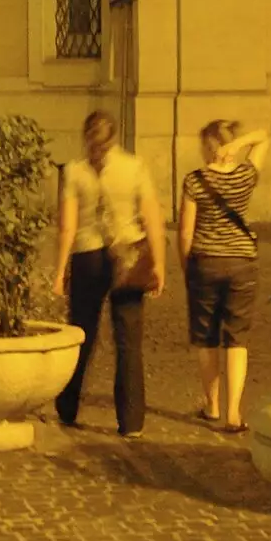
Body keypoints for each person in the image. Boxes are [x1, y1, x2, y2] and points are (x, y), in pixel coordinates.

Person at [51, 111, 167, 439]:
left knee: (81, 336)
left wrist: (60, 272)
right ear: (114, 138)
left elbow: (67, 227)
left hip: (88, 258)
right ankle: (131, 422)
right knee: (129, 342)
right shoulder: (135, 167)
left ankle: (68, 407)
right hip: (128, 256)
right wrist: (158, 264)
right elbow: (152, 219)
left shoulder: (73, 171)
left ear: (85, 137)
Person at [178, 120, 269, 435]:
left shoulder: (194, 181)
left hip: (206, 262)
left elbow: (186, 231)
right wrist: (239, 144)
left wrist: (185, 266)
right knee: (236, 338)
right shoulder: (246, 176)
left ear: (207, 147)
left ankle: (212, 404)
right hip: (242, 261)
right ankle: (233, 413)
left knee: (206, 337)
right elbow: (264, 135)